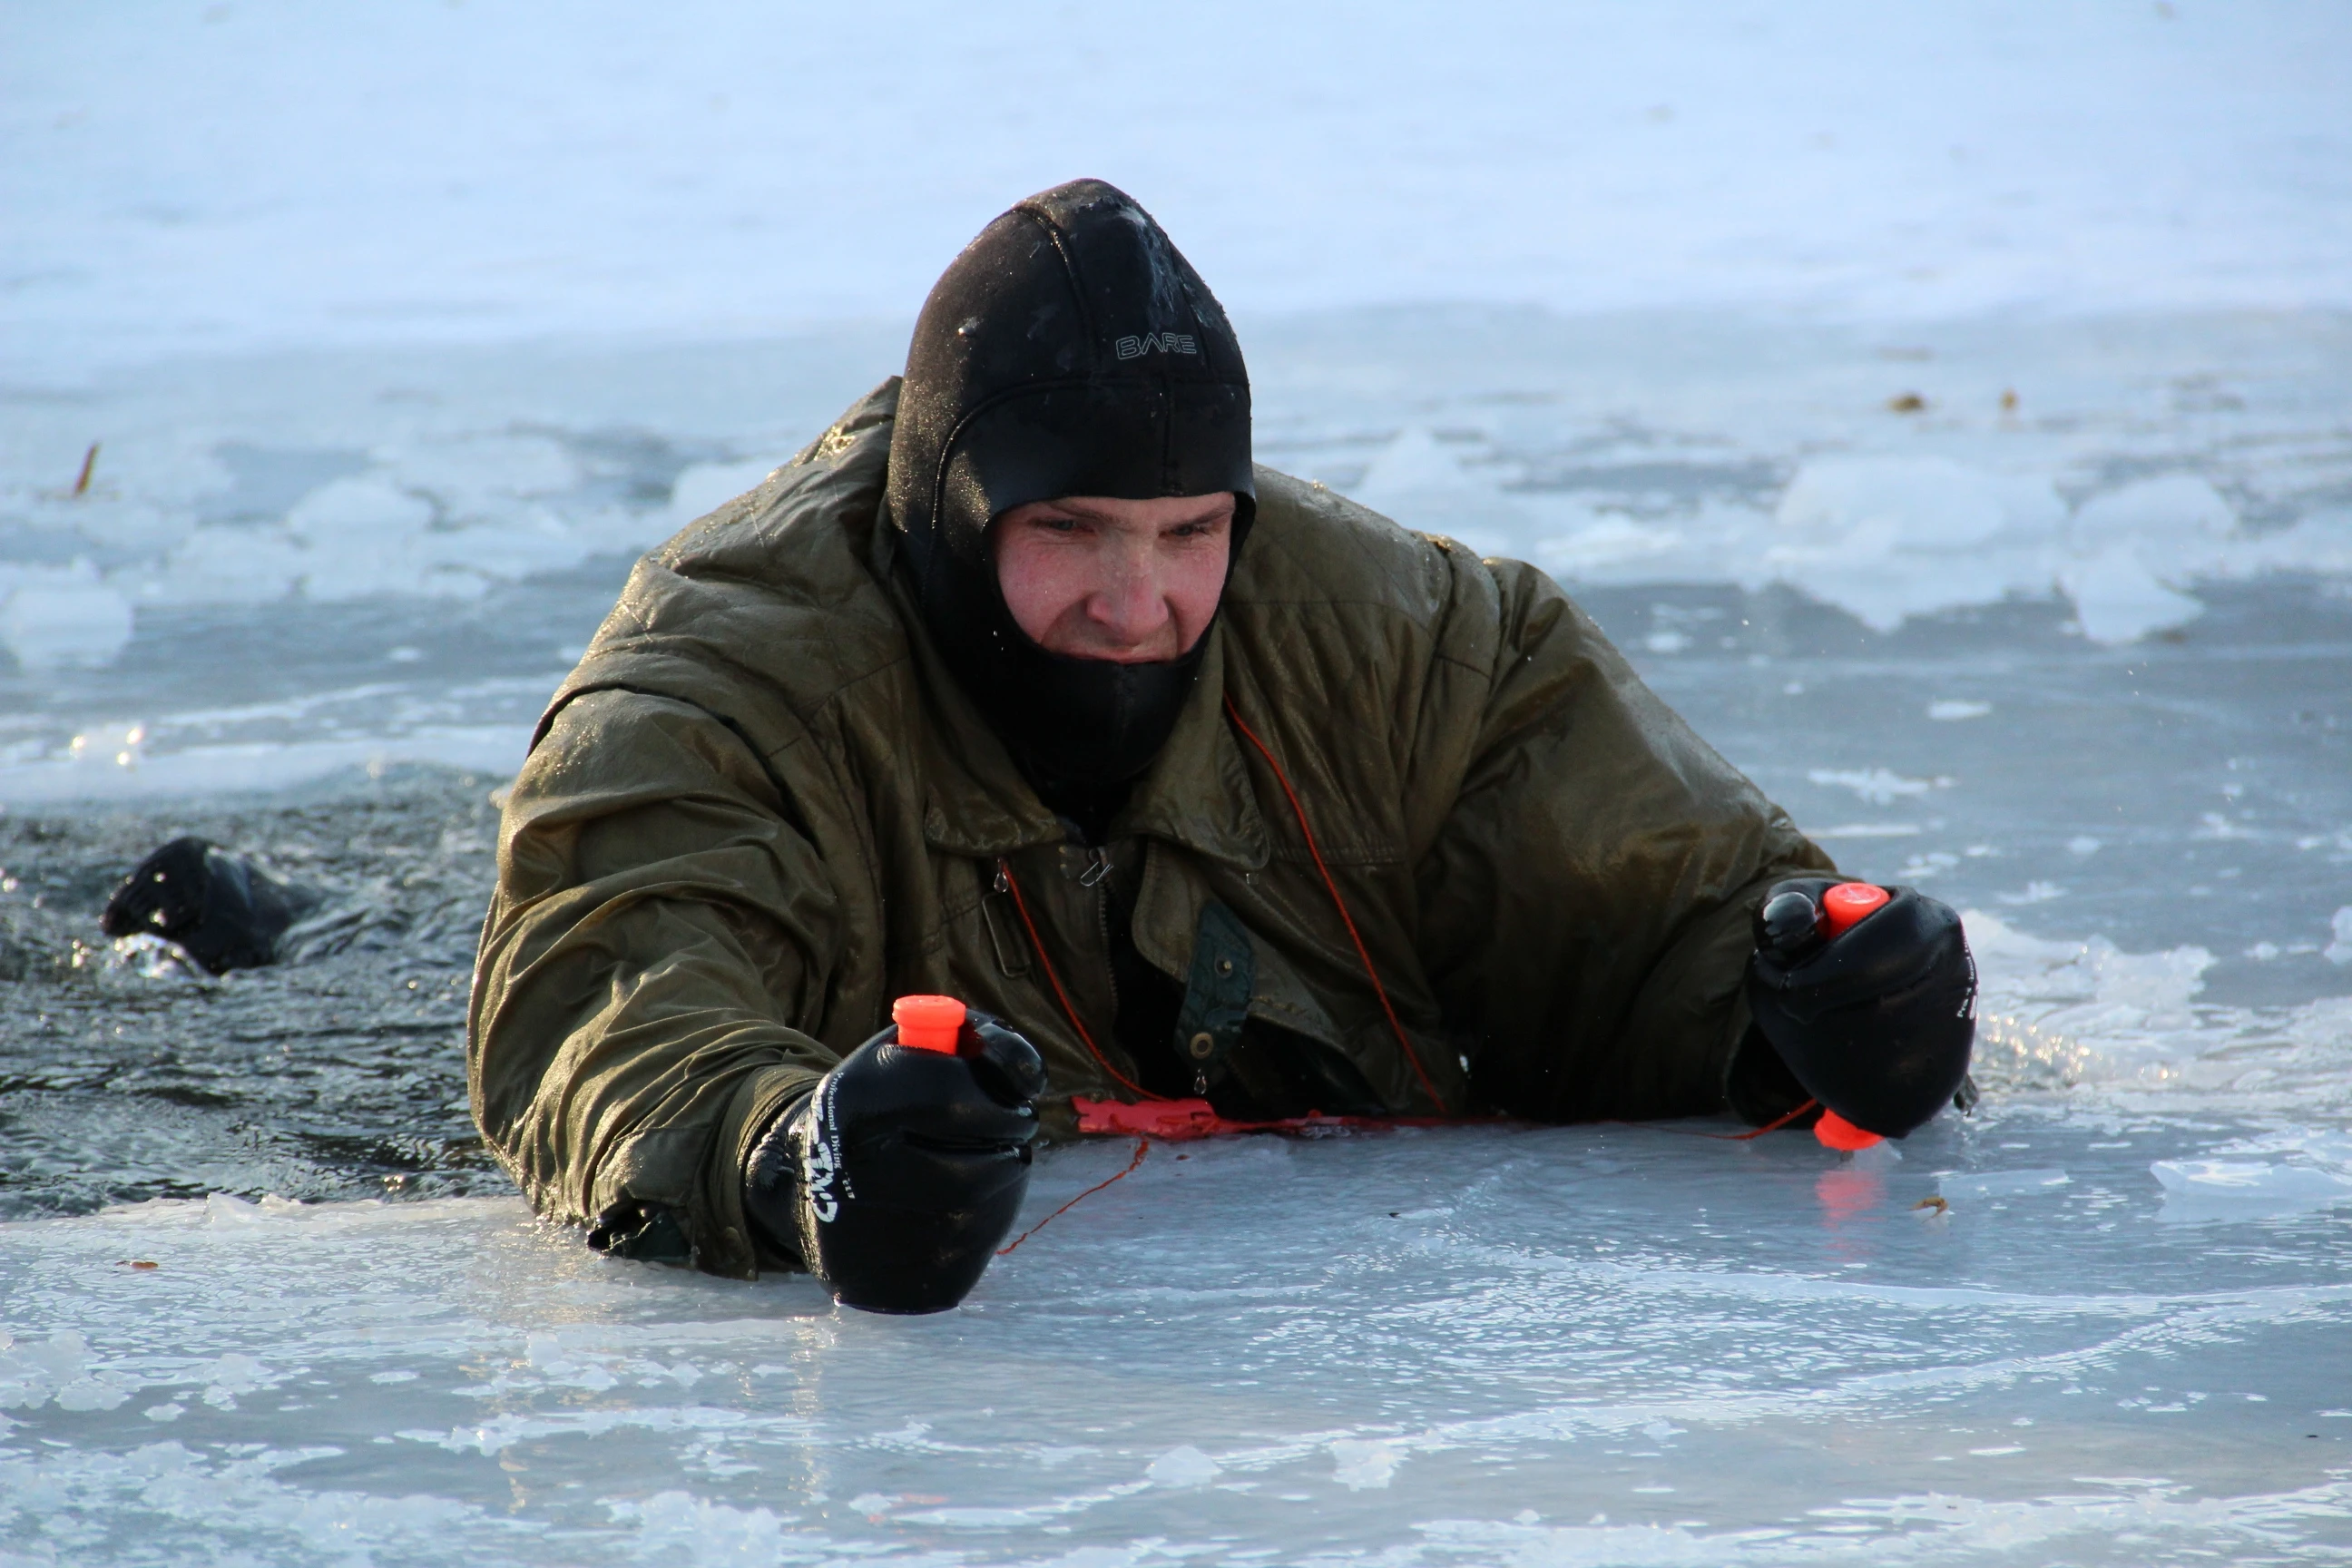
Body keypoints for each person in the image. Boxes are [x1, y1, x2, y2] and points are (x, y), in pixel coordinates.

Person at [466, 179, 1975, 1314]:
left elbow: (1657, 900)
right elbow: (612, 1010)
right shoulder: (721, 683)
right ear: (944, 515)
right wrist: (791, 1152)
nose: (1140, 606)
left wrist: (1813, 1009)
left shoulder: (1414, 640)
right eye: (1068, 533)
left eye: (1192, 534)